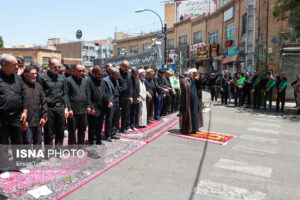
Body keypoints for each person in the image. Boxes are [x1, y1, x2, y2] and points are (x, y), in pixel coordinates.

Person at [0, 54, 28, 177]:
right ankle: (4, 168)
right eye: (14, 64)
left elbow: (24, 95)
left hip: (17, 116)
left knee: (18, 141)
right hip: (2, 116)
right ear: (4, 65)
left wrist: (25, 111)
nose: (17, 66)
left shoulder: (18, 78)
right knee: (3, 142)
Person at [39, 57, 69, 153]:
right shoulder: (42, 77)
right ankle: (48, 152)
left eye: (58, 66)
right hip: (49, 108)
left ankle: (58, 151)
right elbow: (40, 94)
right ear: (49, 66)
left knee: (60, 131)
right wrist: (43, 110)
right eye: (54, 66)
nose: (57, 69)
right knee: (49, 132)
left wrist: (66, 108)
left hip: (60, 107)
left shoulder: (62, 77)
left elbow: (65, 93)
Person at [23, 66, 47, 158]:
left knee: (38, 140)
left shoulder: (38, 86)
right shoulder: (22, 86)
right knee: (27, 141)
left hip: (38, 119)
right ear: (26, 74)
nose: (35, 76)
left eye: (36, 74)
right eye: (32, 74)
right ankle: (27, 159)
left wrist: (44, 116)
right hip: (27, 120)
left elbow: (44, 102)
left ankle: (37, 158)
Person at [66, 64, 89, 147]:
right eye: (80, 71)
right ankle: (71, 147)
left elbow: (87, 94)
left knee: (82, 130)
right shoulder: (68, 80)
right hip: (73, 110)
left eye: (83, 71)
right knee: (72, 130)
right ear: (74, 70)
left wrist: (88, 106)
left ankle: (81, 145)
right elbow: (66, 95)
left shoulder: (85, 80)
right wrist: (68, 108)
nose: (82, 73)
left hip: (83, 110)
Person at [86, 66, 107, 145]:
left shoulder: (102, 81)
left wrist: (108, 101)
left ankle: (98, 139)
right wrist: (90, 107)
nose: (100, 76)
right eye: (98, 74)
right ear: (93, 74)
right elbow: (88, 95)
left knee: (100, 125)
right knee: (92, 126)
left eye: (101, 74)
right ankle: (92, 140)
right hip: (93, 107)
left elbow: (106, 92)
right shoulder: (89, 81)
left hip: (101, 107)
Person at [103, 67, 121, 142]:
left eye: (118, 75)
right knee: (109, 119)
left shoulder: (116, 80)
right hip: (111, 101)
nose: (117, 77)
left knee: (116, 118)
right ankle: (108, 135)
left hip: (117, 99)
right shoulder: (106, 80)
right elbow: (106, 93)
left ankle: (113, 133)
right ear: (111, 74)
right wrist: (109, 101)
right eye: (116, 75)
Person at [186, 68, 203, 133]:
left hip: (196, 98)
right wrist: (193, 79)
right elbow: (188, 87)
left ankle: (196, 127)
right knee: (191, 113)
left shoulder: (195, 80)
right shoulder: (187, 80)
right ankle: (191, 128)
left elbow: (200, 84)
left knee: (196, 113)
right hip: (190, 99)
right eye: (194, 73)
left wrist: (198, 79)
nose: (195, 75)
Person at [118, 60, 133, 133]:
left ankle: (123, 128)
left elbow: (130, 86)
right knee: (117, 115)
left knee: (126, 114)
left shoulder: (128, 74)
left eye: (128, 67)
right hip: (119, 97)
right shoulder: (117, 74)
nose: (127, 68)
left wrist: (130, 96)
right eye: (125, 67)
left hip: (126, 97)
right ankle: (115, 129)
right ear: (121, 66)